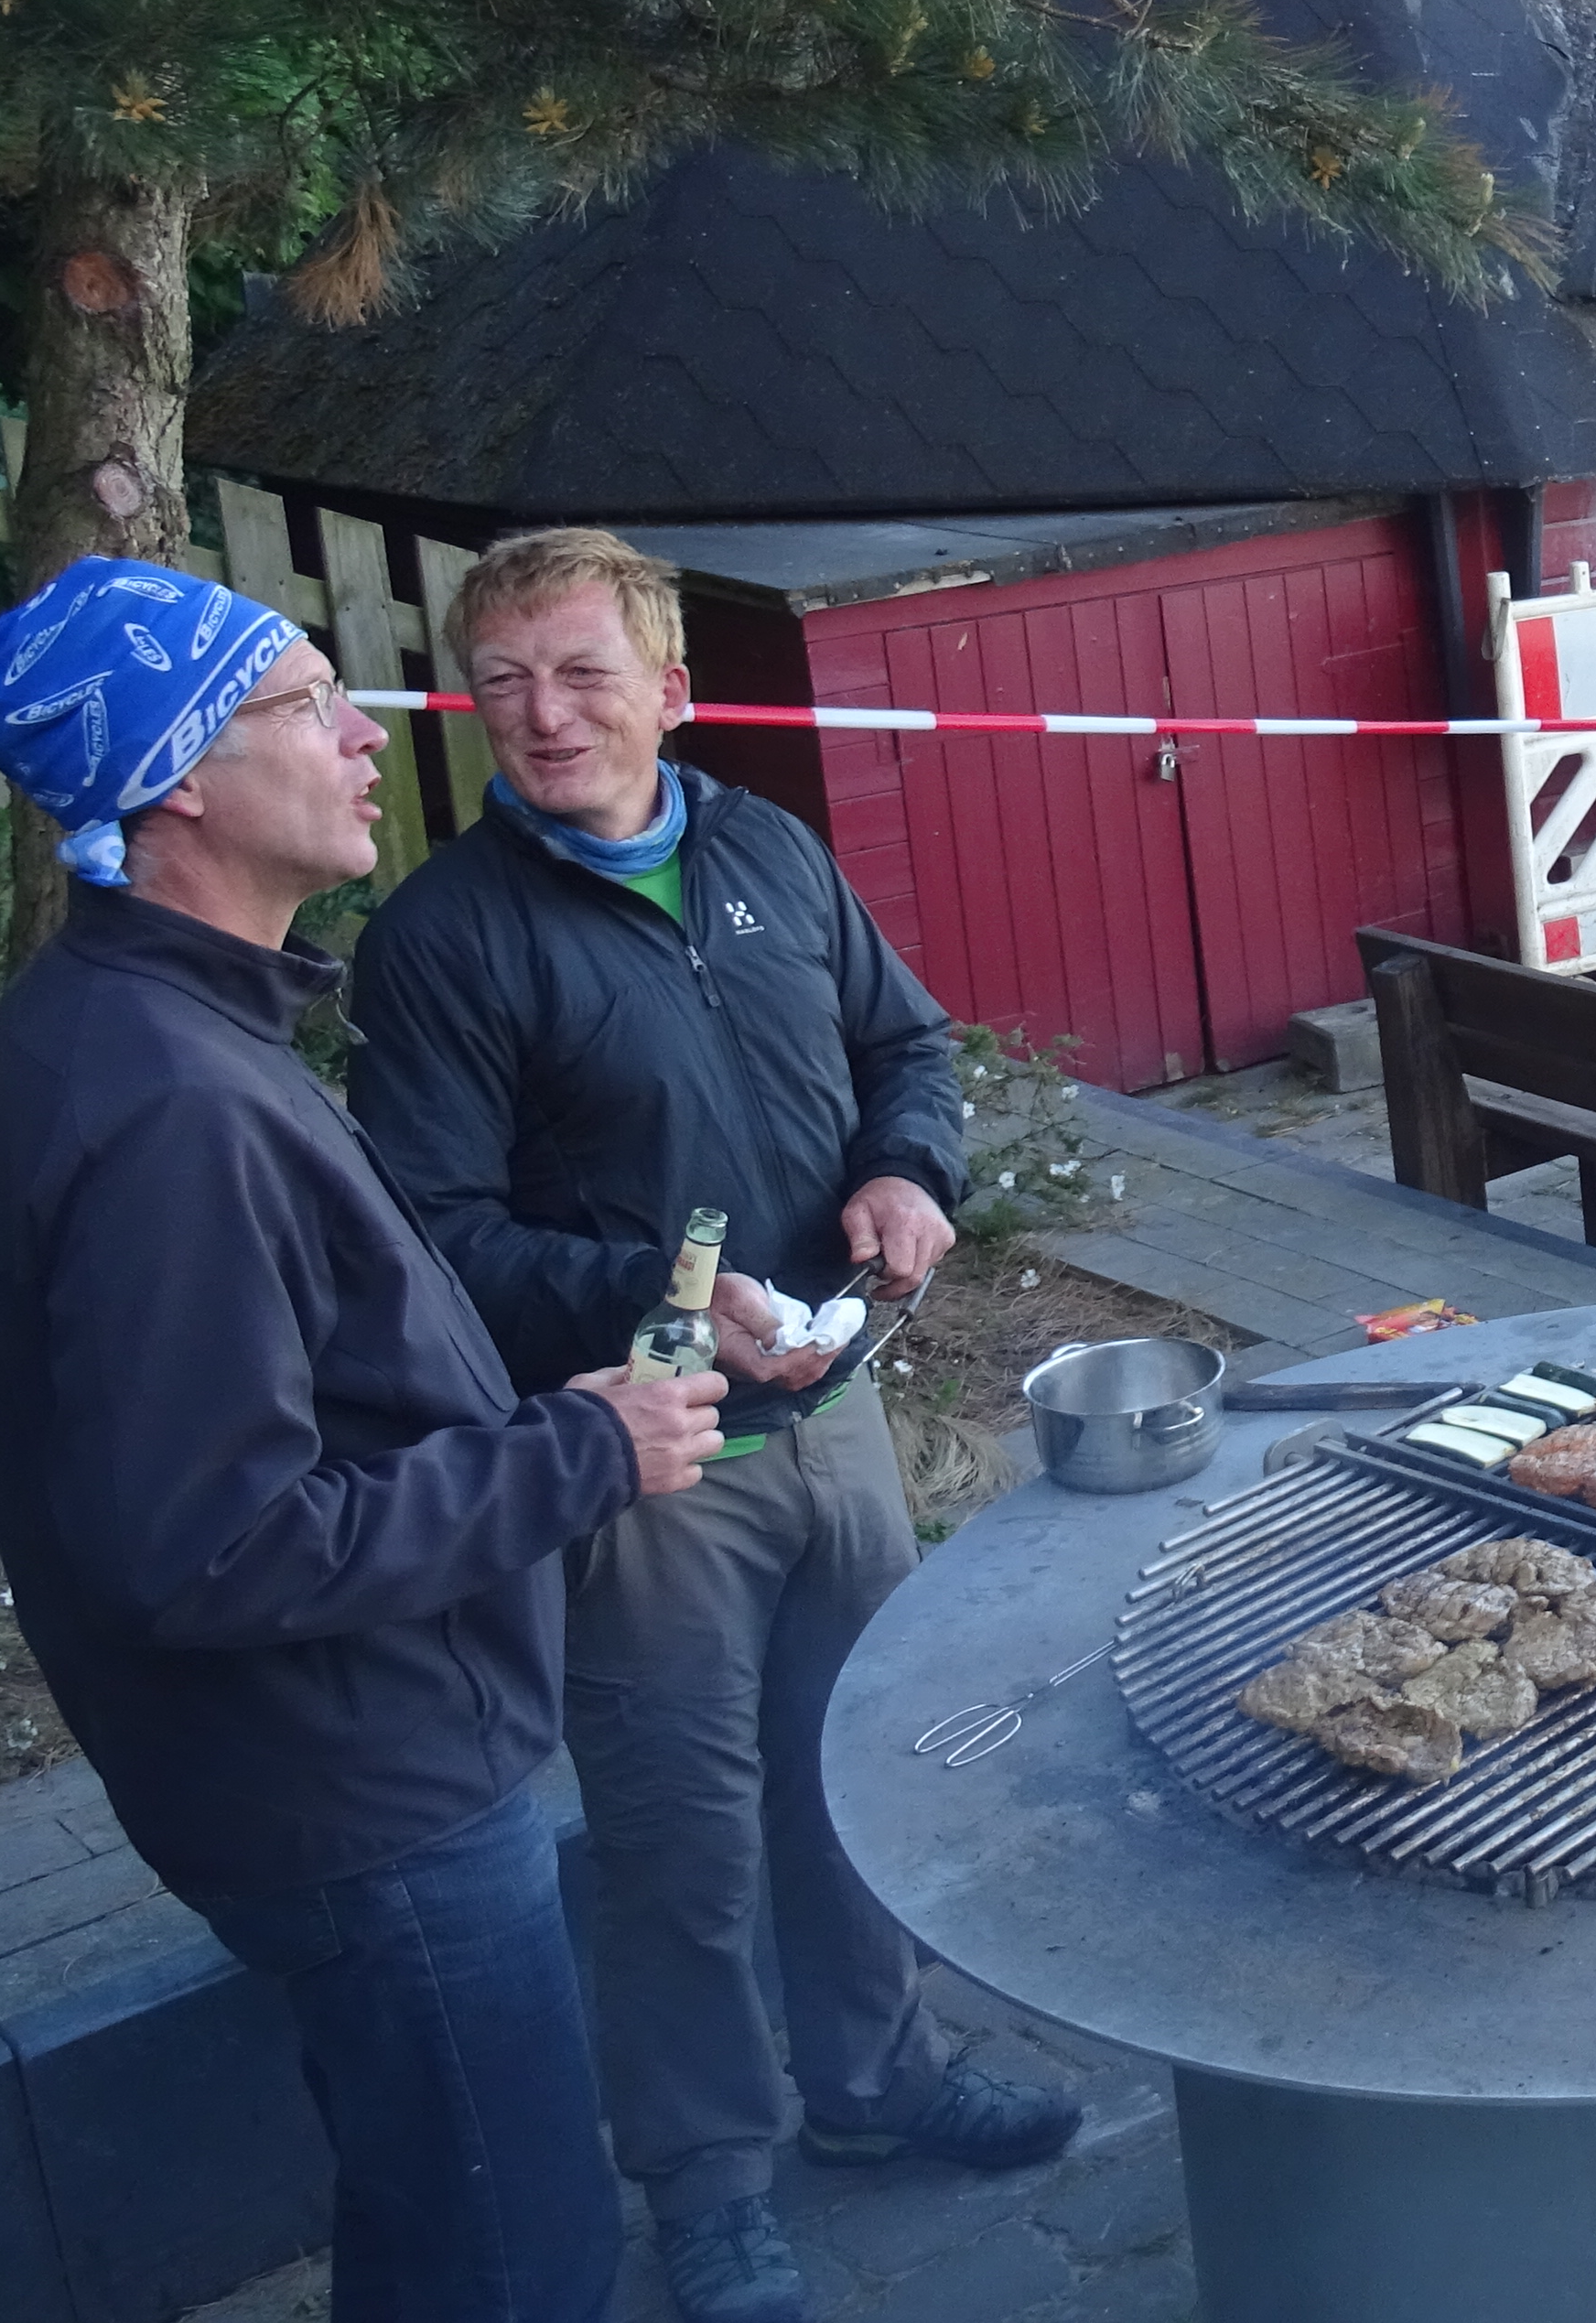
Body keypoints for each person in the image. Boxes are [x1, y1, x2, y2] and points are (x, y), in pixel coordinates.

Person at [0, 556, 727, 2322]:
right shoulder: (159, 1105)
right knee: (511, 2254)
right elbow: (212, 1543)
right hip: (364, 1797)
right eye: (303, 702)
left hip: (338, 1768)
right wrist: (579, 1454)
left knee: (436, 2205)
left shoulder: (149, 1030)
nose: (361, 733)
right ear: (179, 781)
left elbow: (317, 1356)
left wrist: (591, 1348)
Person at [345, 531, 1067, 2323]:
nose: (542, 712)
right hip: (644, 1450)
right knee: (677, 1828)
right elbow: (429, 1230)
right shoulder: (444, 938)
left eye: (583, 671)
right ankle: (709, 2177)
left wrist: (910, 1168)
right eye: (502, 679)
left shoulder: (767, 848)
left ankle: (878, 2080)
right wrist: (659, 1301)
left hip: (837, 1409)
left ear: (673, 688)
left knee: (862, 1772)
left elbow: (907, 1046)